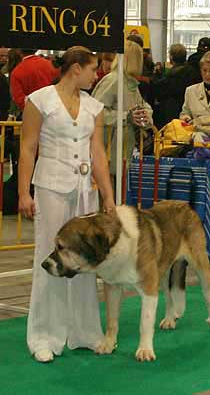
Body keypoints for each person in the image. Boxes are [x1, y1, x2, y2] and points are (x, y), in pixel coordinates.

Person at [18, 46, 115, 363]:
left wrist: (108, 196)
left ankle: (84, 331)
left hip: (84, 190)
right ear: (76, 68)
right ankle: (45, 334)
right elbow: (28, 148)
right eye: (92, 69)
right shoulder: (39, 101)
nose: (96, 74)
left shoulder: (94, 107)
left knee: (86, 259)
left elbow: (98, 153)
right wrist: (23, 193)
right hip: (49, 188)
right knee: (49, 258)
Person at [92, 40, 153, 178]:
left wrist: (144, 115)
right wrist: (126, 117)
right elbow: (95, 112)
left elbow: (143, 105)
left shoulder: (130, 83)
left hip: (121, 153)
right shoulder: (113, 80)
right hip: (108, 153)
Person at [152, 44, 200, 128]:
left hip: (171, 112)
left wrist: (156, 75)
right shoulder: (193, 72)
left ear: (171, 57)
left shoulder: (170, 75)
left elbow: (158, 89)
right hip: (188, 113)